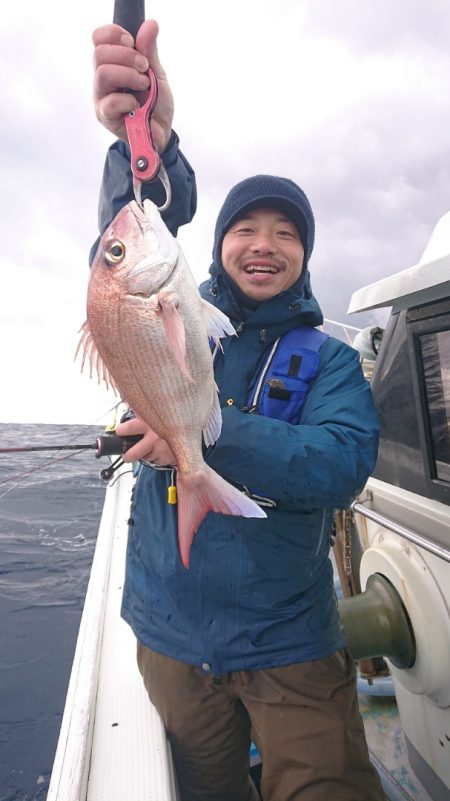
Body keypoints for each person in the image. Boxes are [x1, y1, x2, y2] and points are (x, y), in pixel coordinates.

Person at [92, 20, 386, 801]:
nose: (263, 244)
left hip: (291, 642)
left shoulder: (329, 359)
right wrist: (141, 140)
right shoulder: (182, 314)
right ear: (215, 246)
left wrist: (198, 441)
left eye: (285, 234)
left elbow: (339, 463)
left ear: (304, 255)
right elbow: (139, 220)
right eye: (245, 229)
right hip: (172, 637)